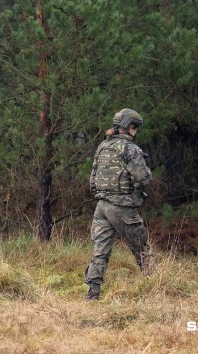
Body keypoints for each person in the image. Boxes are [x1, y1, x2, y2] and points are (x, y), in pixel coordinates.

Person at [84, 108, 154, 300]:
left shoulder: (103, 146)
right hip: (122, 207)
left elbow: (92, 180)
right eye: (135, 128)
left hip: (102, 207)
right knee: (142, 249)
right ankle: (155, 288)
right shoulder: (129, 149)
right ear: (130, 127)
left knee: (100, 252)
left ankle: (92, 293)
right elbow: (142, 178)